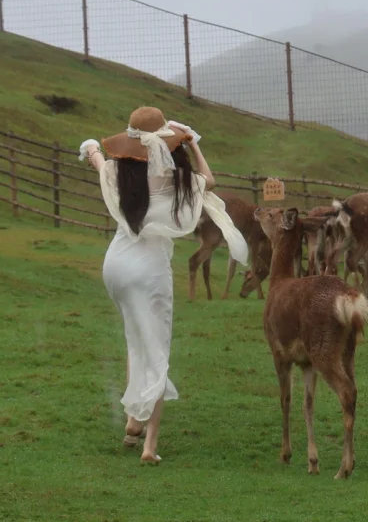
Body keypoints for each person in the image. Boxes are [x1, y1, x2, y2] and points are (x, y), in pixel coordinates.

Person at [79, 106, 246, 464]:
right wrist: (193, 143)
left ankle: (131, 422)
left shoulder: (118, 172)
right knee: (157, 349)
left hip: (117, 265)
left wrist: (91, 146)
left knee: (135, 339)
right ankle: (149, 444)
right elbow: (210, 180)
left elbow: (96, 158)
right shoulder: (176, 180)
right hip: (149, 269)